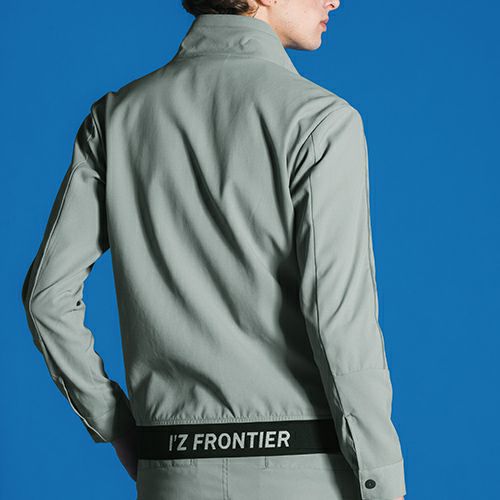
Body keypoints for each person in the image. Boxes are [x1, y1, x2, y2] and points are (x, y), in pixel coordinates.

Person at [21, 1, 407, 499]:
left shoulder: (114, 118)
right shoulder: (320, 120)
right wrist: (382, 481)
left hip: (171, 471)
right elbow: (339, 321)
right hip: (303, 473)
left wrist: (113, 422)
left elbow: (46, 298)